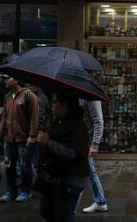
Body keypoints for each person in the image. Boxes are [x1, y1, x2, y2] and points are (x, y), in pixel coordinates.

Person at [36, 89, 90, 222]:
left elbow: (72, 152)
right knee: (47, 211)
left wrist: (48, 142)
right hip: (55, 176)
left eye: (55, 102)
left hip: (69, 179)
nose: (52, 105)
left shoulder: (76, 125)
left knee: (63, 215)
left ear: (65, 104)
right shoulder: (59, 121)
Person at [0, 76, 39, 202]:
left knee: (25, 166)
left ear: (17, 80)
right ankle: (11, 191)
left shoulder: (29, 96)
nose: (6, 80)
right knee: (9, 166)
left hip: (23, 139)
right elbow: (4, 118)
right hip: (9, 139)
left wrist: (32, 135)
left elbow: (35, 117)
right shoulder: (7, 96)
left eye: (8, 78)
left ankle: (25, 191)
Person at [79, 99, 108, 213]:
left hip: (87, 139)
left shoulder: (91, 97)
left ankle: (100, 201)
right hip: (79, 137)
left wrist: (95, 144)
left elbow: (98, 121)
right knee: (87, 170)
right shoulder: (77, 92)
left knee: (89, 170)